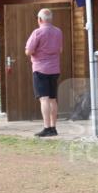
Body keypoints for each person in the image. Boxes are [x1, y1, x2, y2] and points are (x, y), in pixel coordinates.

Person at [25, 8, 63, 137]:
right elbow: (60, 49)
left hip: (40, 69)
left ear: (40, 19)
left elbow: (28, 51)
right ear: (50, 19)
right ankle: (53, 128)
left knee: (44, 99)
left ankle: (46, 127)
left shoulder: (37, 32)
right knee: (53, 99)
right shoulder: (58, 31)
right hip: (55, 69)